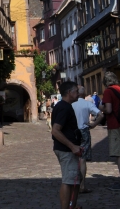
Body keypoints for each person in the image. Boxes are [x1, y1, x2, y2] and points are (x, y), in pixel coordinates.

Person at [51, 81, 82, 209]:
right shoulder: (64, 107)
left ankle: (72, 206)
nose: (78, 93)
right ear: (69, 92)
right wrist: (72, 146)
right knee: (69, 181)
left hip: (65, 149)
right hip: (66, 150)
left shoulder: (63, 106)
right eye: (76, 91)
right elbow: (55, 130)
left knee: (74, 179)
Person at [72, 85, 104, 193]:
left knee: (72, 158)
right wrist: (94, 124)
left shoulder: (71, 104)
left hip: (72, 132)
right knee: (82, 159)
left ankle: (72, 184)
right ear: (84, 94)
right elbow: (100, 115)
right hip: (84, 131)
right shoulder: (87, 104)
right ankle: (82, 185)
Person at [101, 71, 120, 191]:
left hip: (115, 124)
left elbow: (108, 109)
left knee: (119, 153)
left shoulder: (108, 91)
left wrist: (100, 108)